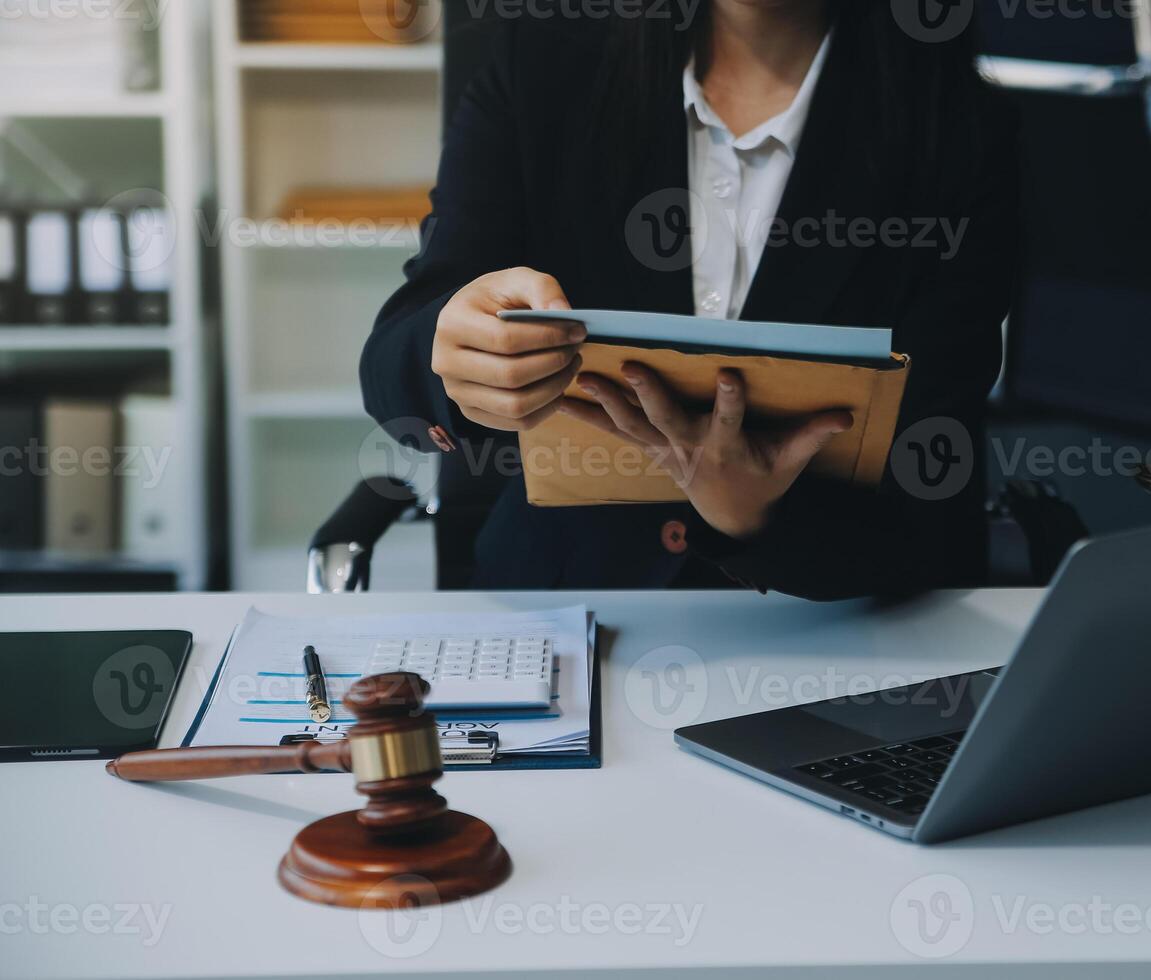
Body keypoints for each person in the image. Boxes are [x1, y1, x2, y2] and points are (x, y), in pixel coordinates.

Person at [361, 0, 1019, 599]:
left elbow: (929, 482)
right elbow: (395, 361)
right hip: (574, 604)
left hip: (842, 616)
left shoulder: (960, 129)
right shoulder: (540, 67)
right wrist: (450, 355)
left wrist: (754, 515)